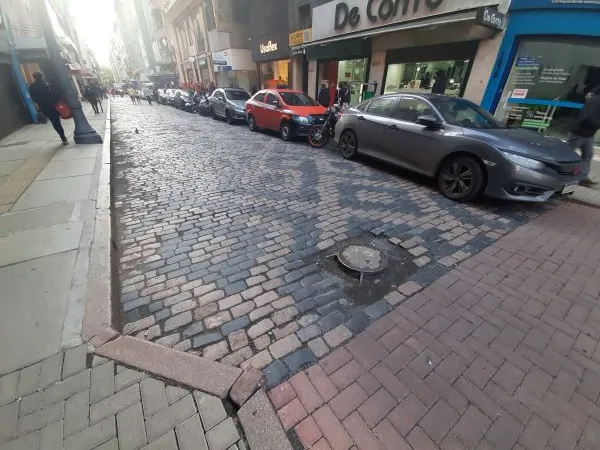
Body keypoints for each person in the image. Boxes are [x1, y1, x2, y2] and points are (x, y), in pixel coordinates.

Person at [568, 85, 600, 186]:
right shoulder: (595, 100)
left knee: (587, 155)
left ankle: (583, 178)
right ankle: (554, 170)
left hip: (589, 133)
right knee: (566, 152)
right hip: (580, 132)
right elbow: (587, 117)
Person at [29, 71, 68, 145]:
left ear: (34, 77)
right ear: (42, 76)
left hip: (45, 107)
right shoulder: (49, 85)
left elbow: (34, 99)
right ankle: (63, 137)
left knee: (55, 122)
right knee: (58, 120)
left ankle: (63, 137)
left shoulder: (32, 87)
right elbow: (57, 96)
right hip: (55, 105)